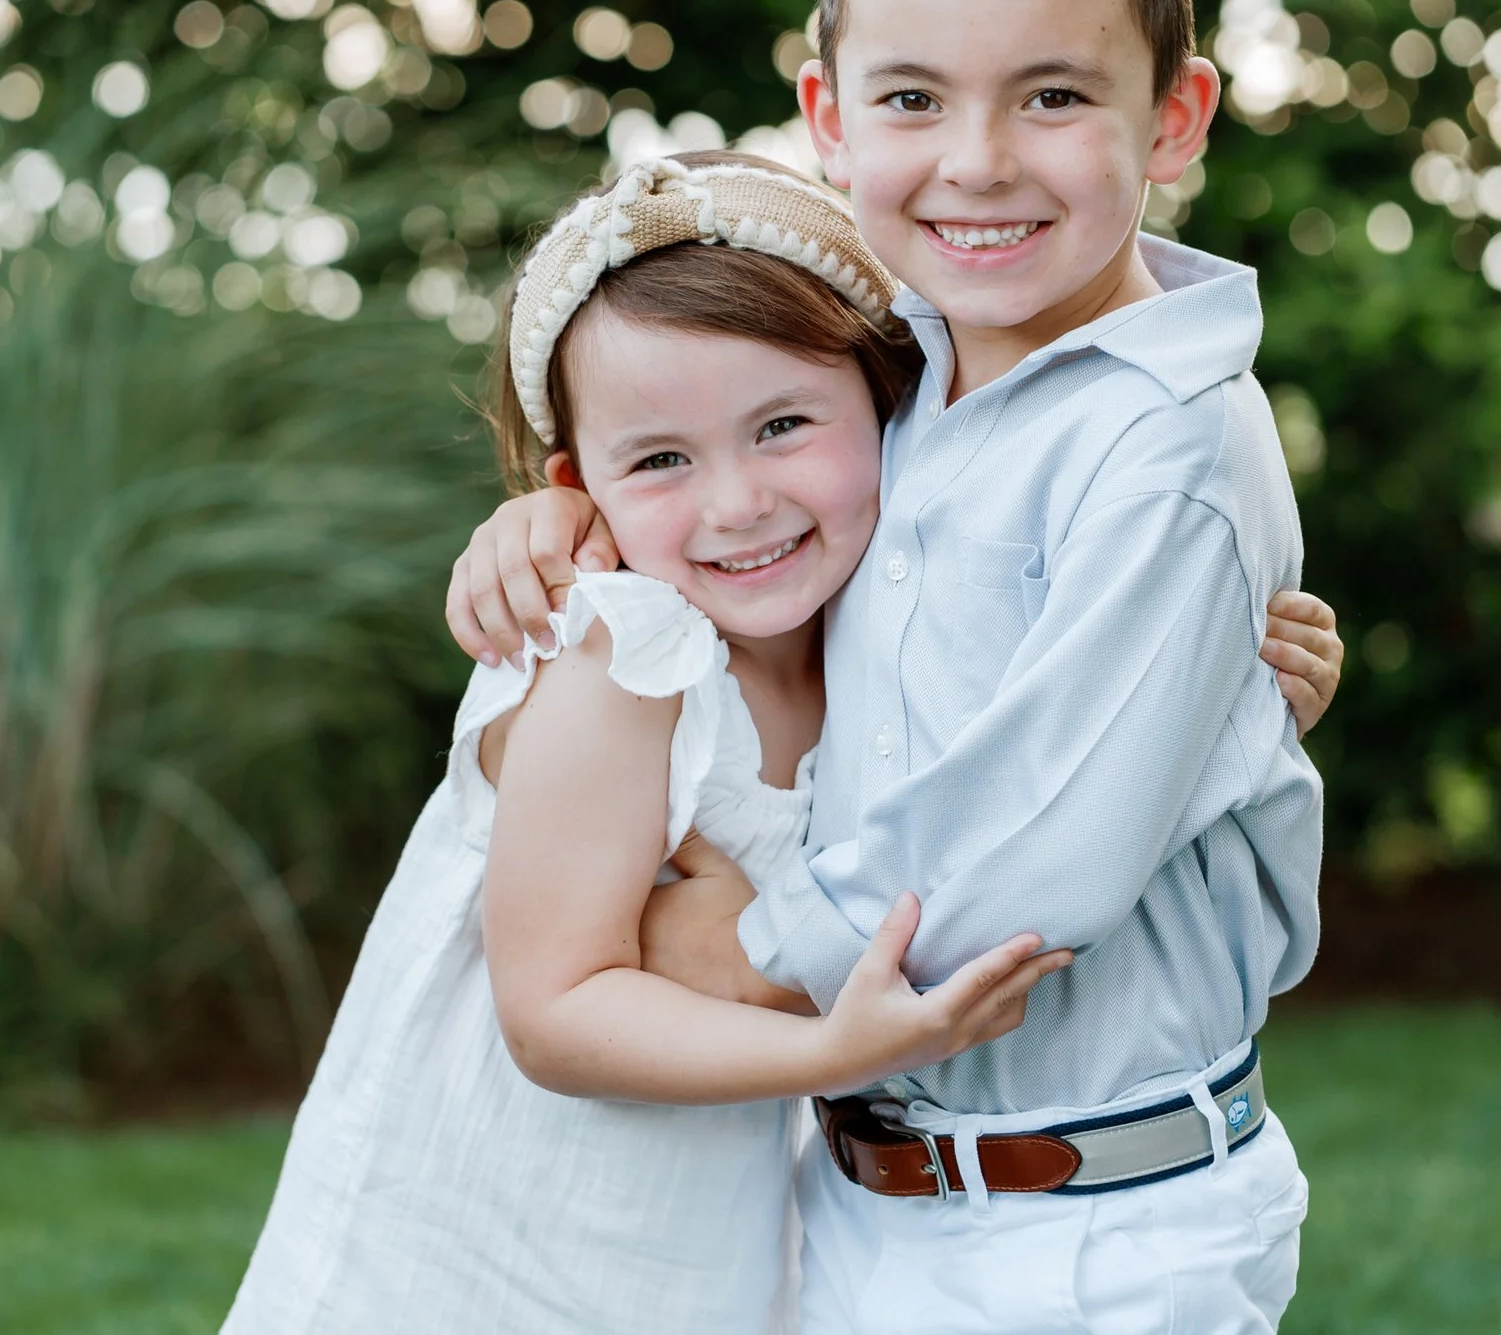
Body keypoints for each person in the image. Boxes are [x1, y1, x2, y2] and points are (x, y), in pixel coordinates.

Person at [446, 0, 1339, 1332]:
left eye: (1055, 94)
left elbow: (1030, 851)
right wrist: (566, 519)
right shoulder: (898, 377)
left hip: (1089, 1234)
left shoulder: (1168, 449)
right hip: (865, 1192)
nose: (978, 163)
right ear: (832, 114)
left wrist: (721, 945)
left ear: (1178, 117)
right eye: (914, 98)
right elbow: (760, 532)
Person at [224, 155, 1092, 1335]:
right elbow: (556, 1009)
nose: (735, 502)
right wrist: (837, 1041)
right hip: (466, 1250)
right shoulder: (628, 652)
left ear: (890, 408)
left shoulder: (881, 644)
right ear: (580, 486)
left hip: (681, 1242)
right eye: (660, 460)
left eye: (782, 424)